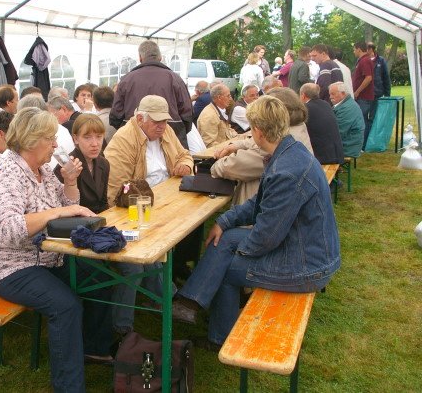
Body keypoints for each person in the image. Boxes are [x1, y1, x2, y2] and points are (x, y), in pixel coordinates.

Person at [172, 95, 340, 350]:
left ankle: (218, 337)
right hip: (303, 245)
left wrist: (231, 256)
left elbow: (266, 237)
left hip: (307, 264)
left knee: (226, 269)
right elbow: (259, 204)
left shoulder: (287, 171)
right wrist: (224, 221)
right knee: (226, 237)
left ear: (259, 131)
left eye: (251, 129)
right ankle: (190, 302)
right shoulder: (288, 152)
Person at [0, 107, 113, 392]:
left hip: (47, 257)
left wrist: (70, 183)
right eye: (50, 138)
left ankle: (93, 348)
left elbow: (66, 204)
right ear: (31, 140)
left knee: (101, 277)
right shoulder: (8, 175)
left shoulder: (42, 170)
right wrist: (56, 213)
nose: (54, 145)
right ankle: (68, 386)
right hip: (8, 266)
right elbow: (9, 229)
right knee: (65, 306)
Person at [104, 95, 193, 333]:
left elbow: (184, 154)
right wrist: (144, 202)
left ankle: (166, 295)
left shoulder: (166, 132)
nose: (162, 126)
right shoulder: (124, 140)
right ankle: (166, 299)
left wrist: (186, 165)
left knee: (189, 229)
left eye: (165, 121)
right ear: (140, 118)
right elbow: (116, 190)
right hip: (137, 209)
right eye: (157, 121)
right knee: (144, 257)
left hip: (169, 201)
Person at [211, 87, 313, 206]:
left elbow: (232, 167)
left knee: (248, 180)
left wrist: (214, 165)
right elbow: (256, 141)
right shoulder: (296, 126)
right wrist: (236, 145)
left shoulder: (276, 144)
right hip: (295, 197)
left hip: (272, 206)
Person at [110, 40, 193, 148]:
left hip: (135, 142)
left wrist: (130, 130)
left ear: (140, 58)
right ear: (160, 58)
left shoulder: (126, 80)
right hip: (171, 143)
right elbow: (187, 115)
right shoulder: (175, 79)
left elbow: (116, 116)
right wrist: (175, 131)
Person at [54, 114, 109, 214]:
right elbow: (62, 208)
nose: (95, 144)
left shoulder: (104, 163)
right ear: (75, 139)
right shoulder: (65, 167)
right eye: (87, 138)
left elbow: (104, 203)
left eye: (99, 137)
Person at [300, 83, 345, 164]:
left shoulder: (306, 108)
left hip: (322, 157)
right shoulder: (326, 104)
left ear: (303, 95)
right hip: (336, 153)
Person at [329, 81, 365, 158]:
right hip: (347, 143)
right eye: (330, 94)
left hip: (348, 147)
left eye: (333, 94)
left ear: (343, 93)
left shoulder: (347, 108)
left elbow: (338, 132)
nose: (330, 97)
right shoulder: (345, 104)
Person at [197, 84, 238, 148]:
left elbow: (227, 129)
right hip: (219, 152)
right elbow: (209, 144)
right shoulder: (209, 116)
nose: (231, 99)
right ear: (219, 97)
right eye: (228, 96)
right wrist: (232, 147)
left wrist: (238, 138)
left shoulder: (219, 110)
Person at [352, 41, 375, 149]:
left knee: (362, 120)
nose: (353, 52)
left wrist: (357, 91)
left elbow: (368, 78)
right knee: (363, 119)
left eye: (354, 49)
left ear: (359, 49)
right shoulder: (362, 60)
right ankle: (362, 144)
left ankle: (362, 145)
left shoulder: (365, 60)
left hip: (364, 97)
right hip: (362, 97)